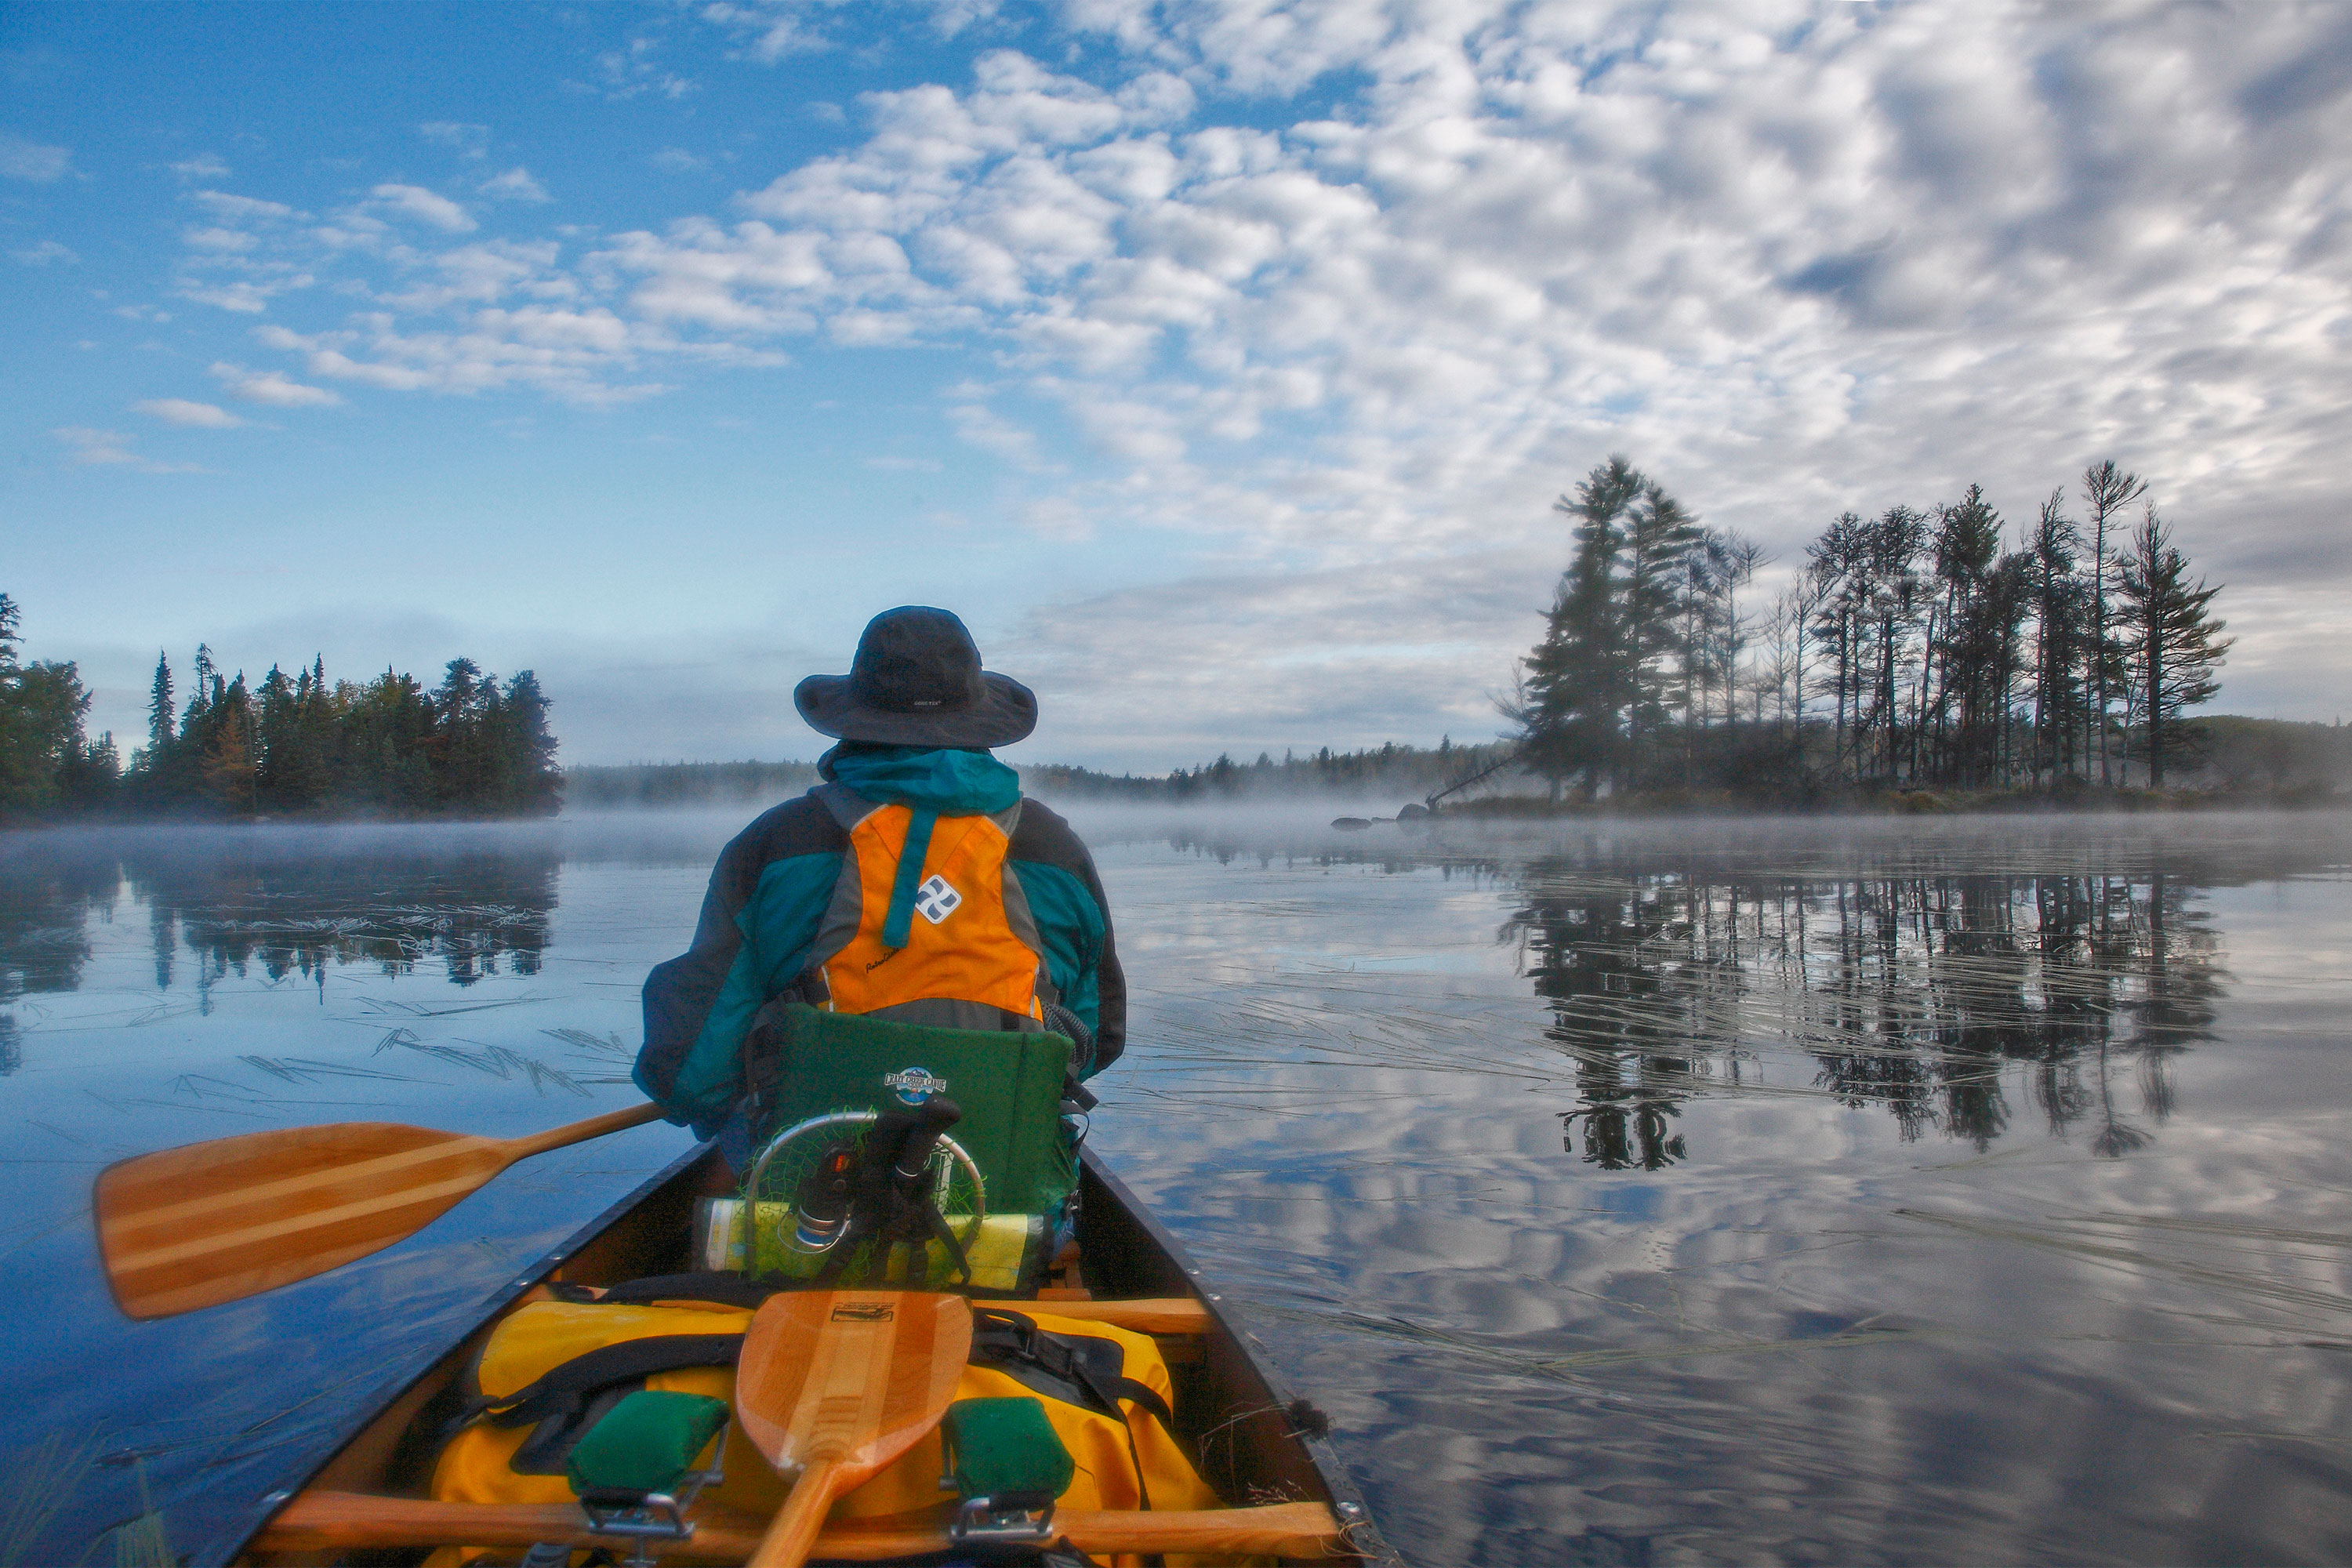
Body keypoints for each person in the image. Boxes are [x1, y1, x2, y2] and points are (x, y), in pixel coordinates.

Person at [633, 606, 1124, 1167]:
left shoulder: (775, 844)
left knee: (730, 1137)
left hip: (810, 1177)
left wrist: (723, 1105)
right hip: (1004, 1174)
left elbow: (694, 1065)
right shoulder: (1055, 849)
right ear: (978, 719)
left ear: (857, 719)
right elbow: (1098, 1036)